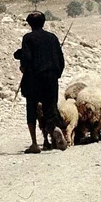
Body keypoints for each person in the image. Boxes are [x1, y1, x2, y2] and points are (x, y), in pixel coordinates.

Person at [14, 11, 65, 154]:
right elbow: (60, 60)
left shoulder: (28, 38)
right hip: (51, 79)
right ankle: (55, 129)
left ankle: (34, 144)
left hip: (34, 80)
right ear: (44, 22)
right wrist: (56, 75)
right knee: (50, 108)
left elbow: (27, 58)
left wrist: (23, 67)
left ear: (29, 24)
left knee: (32, 109)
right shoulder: (53, 38)